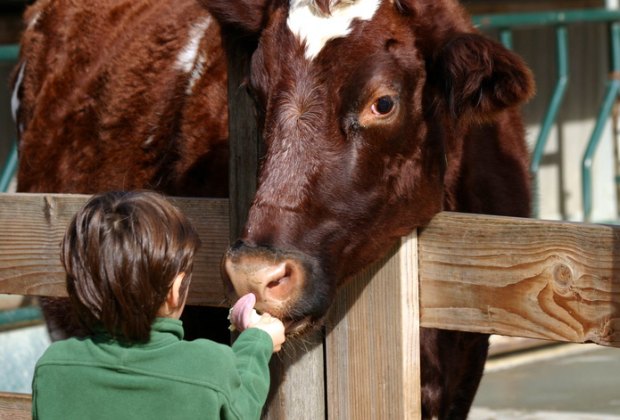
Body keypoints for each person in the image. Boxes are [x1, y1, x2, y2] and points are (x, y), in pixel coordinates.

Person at [31, 190, 285, 420]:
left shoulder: (53, 367)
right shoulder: (208, 367)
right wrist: (257, 342)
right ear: (175, 290)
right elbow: (241, 408)